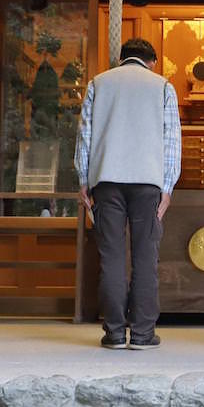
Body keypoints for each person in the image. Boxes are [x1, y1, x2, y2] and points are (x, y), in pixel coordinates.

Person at [75, 37, 181, 350]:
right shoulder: (162, 86)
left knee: (111, 256)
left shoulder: (99, 83)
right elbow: (171, 141)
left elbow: (85, 135)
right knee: (146, 258)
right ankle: (143, 334)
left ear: (121, 59)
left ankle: (115, 333)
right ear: (152, 62)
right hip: (148, 182)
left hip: (107, 180)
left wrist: (84, 179)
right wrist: (167, 187)